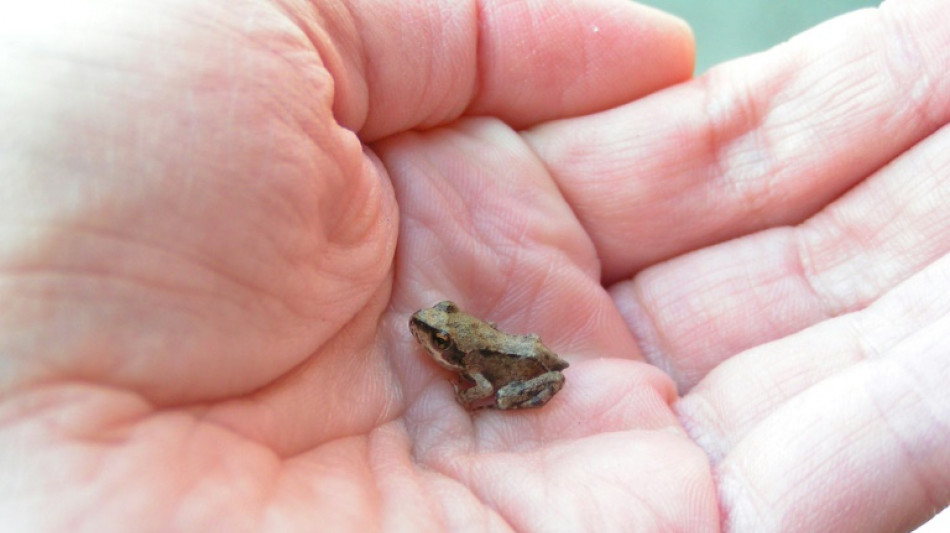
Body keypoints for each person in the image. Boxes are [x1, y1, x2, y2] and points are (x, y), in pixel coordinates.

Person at [1, 0, 947, 530]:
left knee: (524, 376)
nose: (427, 333)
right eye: (436, 330)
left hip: (526, 366)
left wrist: (483, 388)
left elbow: (491, 382)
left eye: (434, 331)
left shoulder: (465, 364)